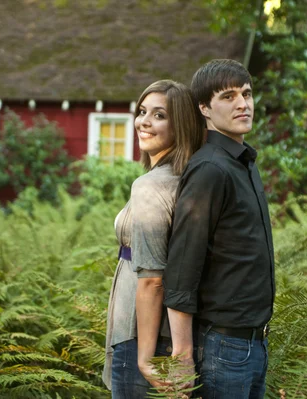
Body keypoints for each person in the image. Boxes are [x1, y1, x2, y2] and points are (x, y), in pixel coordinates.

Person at [163, 59, 276, 399]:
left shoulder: (242, 163)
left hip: (254, 342)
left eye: (247, 93)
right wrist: (182, 355)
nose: (243, 104)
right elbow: (182, 267)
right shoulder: (210, 169)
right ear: (205, 108)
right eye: (228, 96)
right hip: (224, 347)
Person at [102, 79, 204, 398]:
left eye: (159, 115)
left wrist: (145, 360)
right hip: (167, 330)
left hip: (139, 332)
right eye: (142, 111)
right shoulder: (189, 178)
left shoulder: (151, 186)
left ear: (182, 125)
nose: (144, 121)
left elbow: (152, 280)